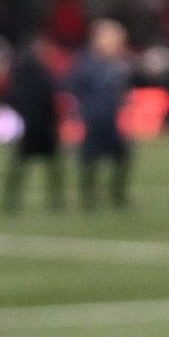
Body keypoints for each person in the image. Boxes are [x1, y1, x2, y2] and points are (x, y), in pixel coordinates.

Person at [73, 19, 138, 212]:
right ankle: (89, 198)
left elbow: (123, 90)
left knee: (122, 155)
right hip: (95, 119)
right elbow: (77, 89)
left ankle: (117, 195)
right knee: (90, 159)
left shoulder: (119, 65)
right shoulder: (87, 64)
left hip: (112, 120)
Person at [1, 35, 71, 212]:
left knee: (22, 166)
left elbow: (12, 97)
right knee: (52, 167)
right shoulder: (42, 73)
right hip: (43, 126)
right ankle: (55, 201)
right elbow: (51, 96)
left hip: (31, 125)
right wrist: (55, 118)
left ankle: (12, 201)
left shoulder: (21, 73)